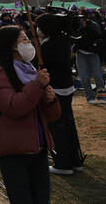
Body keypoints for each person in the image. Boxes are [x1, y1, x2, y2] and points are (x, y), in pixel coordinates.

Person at [0, 25, 61, 204]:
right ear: (12, 45)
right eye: (25, 40)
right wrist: (37, 85)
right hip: (14, 150)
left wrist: (51, 100)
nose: (29, 43)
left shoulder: (31, 71)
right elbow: (14, 107)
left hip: (38, 149)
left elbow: (53, 116)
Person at [37, 14, 84, 176]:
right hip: (67, 86)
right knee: (69, 124)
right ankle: (75, 161)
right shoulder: (64, 40)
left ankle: (63, 163)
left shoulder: (47, 45)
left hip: (55, 88)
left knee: (56, 126)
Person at [75, 13, 106, 105]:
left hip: (93, 53)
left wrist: (87, 27)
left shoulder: (94, 24)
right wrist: (81, 28)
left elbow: (98, 34)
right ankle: (89, 96)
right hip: (81, 53)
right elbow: (75, 37)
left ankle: (103, 96)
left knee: (98, 76)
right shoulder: (77, 25)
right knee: (84, 77)